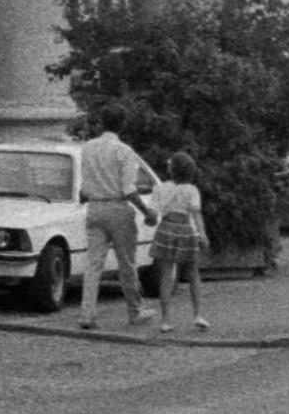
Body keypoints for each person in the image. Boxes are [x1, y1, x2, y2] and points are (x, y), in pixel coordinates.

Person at [76, 122, 162, 334]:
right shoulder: (124, 151)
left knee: (94, 263)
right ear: (122, 125)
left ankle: (87, 312)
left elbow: (84, 186)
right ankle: (134, 309)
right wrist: (146, 212)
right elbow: (129, 190)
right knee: (127, 262)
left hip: (94, 207)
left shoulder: (88, 148)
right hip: (117, 207)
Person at [151, 154, 211, 331]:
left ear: (171, 170)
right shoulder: (192, 190)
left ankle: (166, 320)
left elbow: (153, 213)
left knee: (166, 275)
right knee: (193, 273)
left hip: (166, 229)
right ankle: (198, 314)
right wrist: (202, 234)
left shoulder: (160, 188)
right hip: (185, 231)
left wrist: (149, 218)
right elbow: (196, 215)